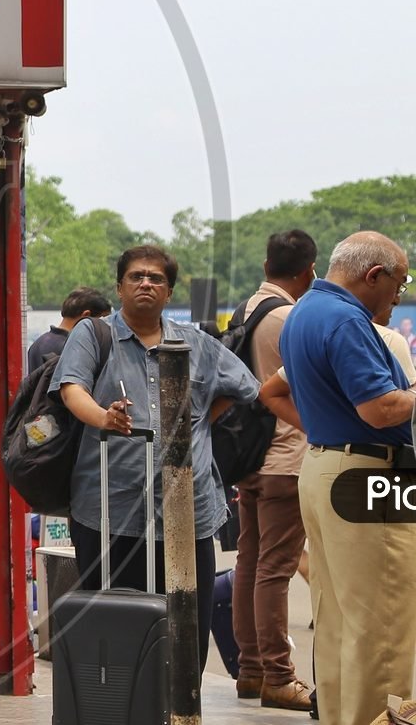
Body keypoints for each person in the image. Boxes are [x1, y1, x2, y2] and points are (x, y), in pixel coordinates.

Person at [54, 244, 260, 673]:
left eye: (156, 278)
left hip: (188, 513)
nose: (146, 283)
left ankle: (181, 705)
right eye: (136, 276)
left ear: (169, 292)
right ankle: (120, 704)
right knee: (115, 633)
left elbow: (244, 387)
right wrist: (104, 418)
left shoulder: (195, 343)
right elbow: (72, 389)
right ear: (119, 287)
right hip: (111, 509)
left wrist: (195, 422)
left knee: (186, 633)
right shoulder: (93, 334)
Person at [279, 231, 416, 725]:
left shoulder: (305, 311)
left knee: (339, 618)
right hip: (369, 470)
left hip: (328, 464)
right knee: (384, 621)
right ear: (374, 275)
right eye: (399, 285)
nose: (398, 297)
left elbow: (274, 391)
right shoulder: (346, 320)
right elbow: (381, 409)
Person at [229, 229, 318, 710]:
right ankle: (279, 677)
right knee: (275, 569)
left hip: (250, 457)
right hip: (287, 456)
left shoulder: (245, 311)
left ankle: (251, 669)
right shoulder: (292, 318)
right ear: (309, 272)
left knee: (250, 561)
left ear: (267, 267)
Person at [27, 286, 113, 369]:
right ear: (86, 315)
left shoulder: (37, 344)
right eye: (102, 320)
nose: (105, 327)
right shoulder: (76, 347)